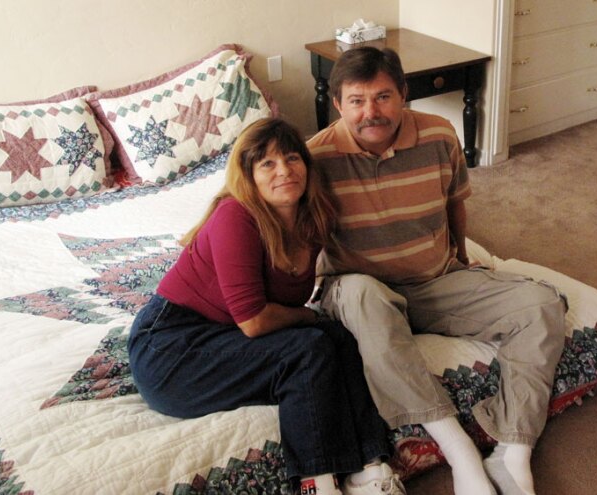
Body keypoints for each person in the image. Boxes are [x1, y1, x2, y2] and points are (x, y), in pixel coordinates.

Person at [306, 47, 568, 495]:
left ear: (404, 94)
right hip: (359, 290)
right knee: (368, 297)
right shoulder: (314, 158)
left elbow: (454, 205)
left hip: (434, 280)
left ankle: (512, 451)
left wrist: (463, 260)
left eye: (383, 97)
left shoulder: (439, 135)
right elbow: (265, 215)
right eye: (357, 100)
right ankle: (459, 450)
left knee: (541, 303)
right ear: (338, 104)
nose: (371, 112)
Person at [127, 118, 405, 495]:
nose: (284, 171)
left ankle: (371, 465)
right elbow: (255, 322)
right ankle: (317, 483)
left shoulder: (311, 220)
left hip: (221, 334)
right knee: (307, 348)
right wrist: (308, 317)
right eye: (267, 164)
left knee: (336, 336)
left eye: (292, 159)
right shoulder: (235, 216)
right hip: (169, 352)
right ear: (249, 176)